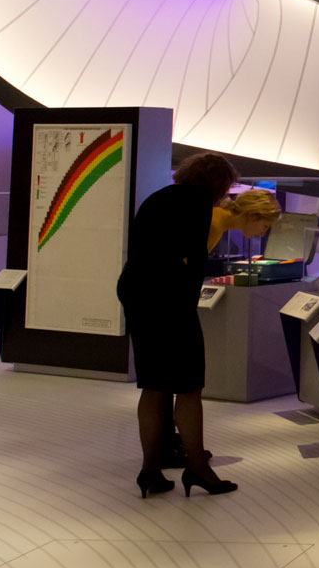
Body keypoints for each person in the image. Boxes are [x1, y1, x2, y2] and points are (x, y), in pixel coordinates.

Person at [115, 155, 274, 498]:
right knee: (189, 387)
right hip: (168, 299)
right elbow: (193, 263)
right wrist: (187, 313)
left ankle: (150, 469)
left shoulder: (161, 196)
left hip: (137, 292)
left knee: (153, 385)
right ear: (220, 183)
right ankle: (198, 469)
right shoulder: (198, 204)